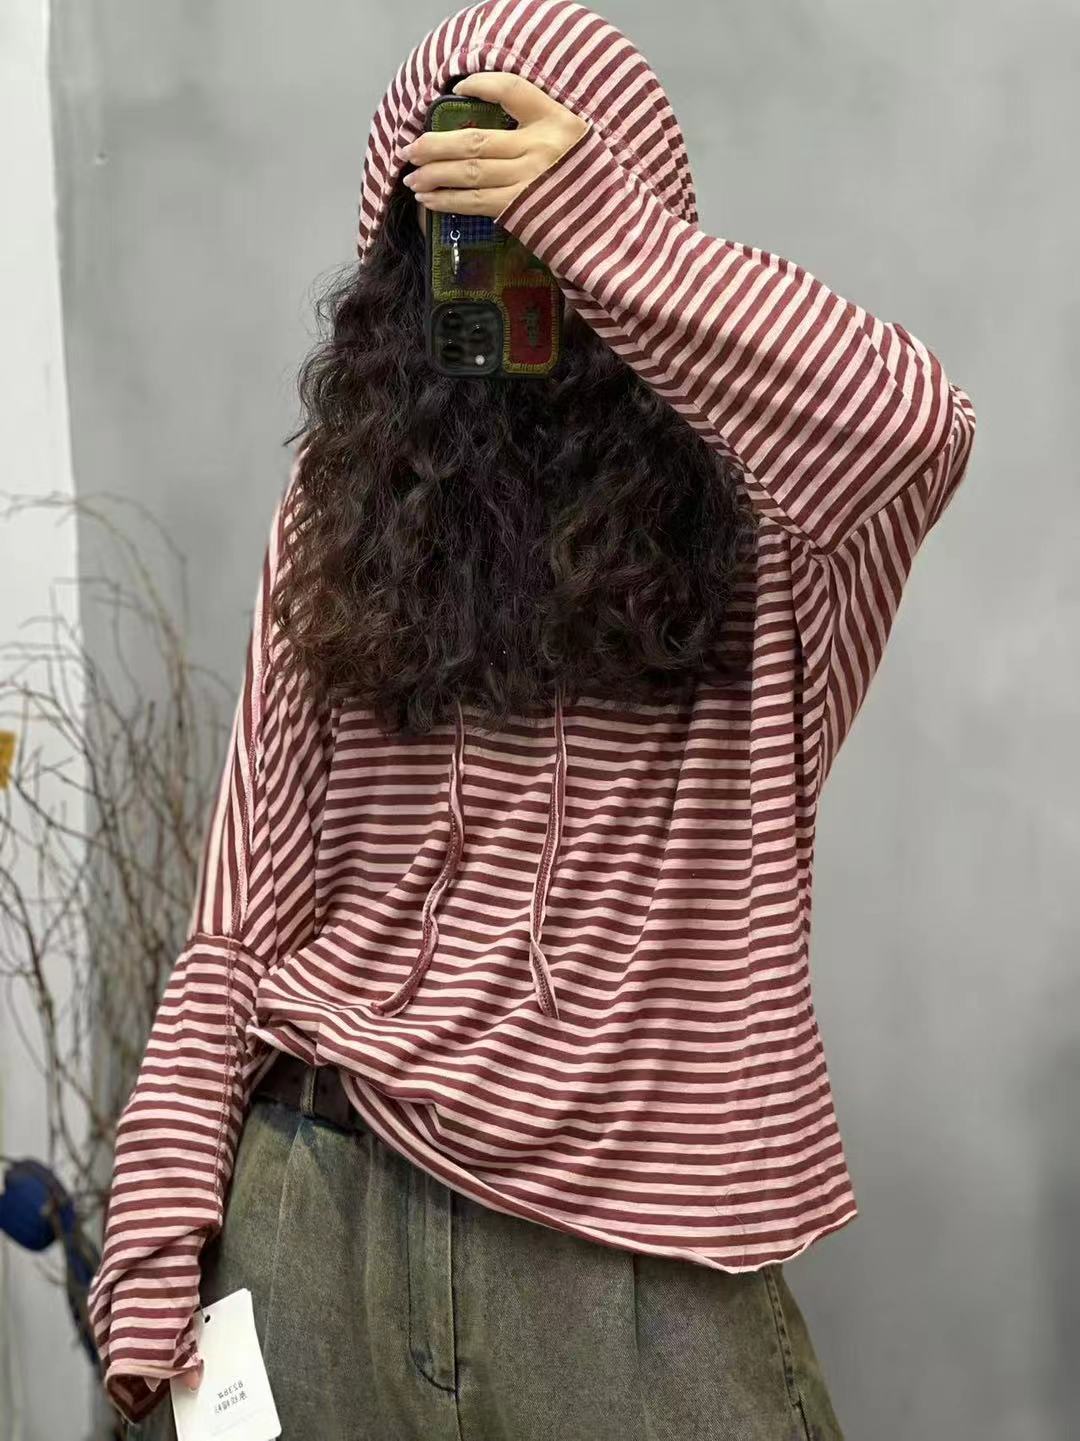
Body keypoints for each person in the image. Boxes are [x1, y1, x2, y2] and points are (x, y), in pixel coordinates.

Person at [87, 2, 976, 1437]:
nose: (507, 261)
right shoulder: (346, 505)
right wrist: (157, 1218)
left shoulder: (777, 521)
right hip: (320, 1198)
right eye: (455, 224)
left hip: (633, 1260)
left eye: (537, 215)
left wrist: (600, 223)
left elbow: (917, 423)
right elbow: (246, 911)